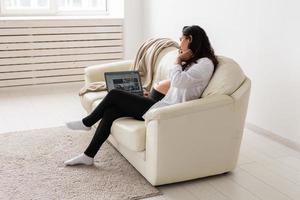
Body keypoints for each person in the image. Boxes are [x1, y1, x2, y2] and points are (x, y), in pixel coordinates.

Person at [64, 25, 218, 166]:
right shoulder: (195, 62)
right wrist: (148, 96)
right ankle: (88, 156)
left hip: (166, 111)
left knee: (115, 94)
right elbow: (176, 88)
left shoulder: (205, 64)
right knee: (111, 111)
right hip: (162, 103)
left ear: (189, 39)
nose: (180, 43)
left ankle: (87, 123)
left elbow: (178, 82)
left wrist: (178, 59)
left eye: (181, 39)